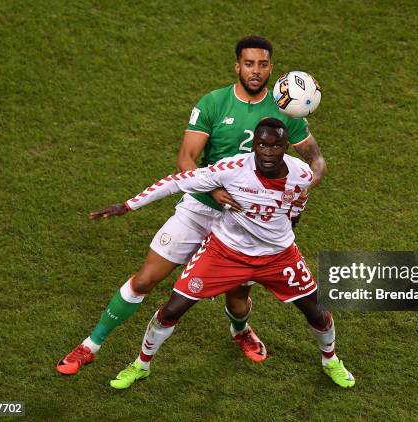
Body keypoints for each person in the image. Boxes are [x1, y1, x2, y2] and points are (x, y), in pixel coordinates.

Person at [57, 35, 327, 375]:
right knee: (145, 279)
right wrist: (213, 191)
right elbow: (186, 158)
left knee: (237, 296)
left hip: (245, 223)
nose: (255, 71)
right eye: (248, 64)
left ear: (271, 67)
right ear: (237, 66)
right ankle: (90, 346)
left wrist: (306, 188)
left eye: (262, 64)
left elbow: (316, 162)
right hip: (201, 207)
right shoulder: (214, 103)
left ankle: (240, 331)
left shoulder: (286, 109)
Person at [91, 118, 354, 389]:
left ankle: (330, 360)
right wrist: (127, 206)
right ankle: (141, 365)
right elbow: (177, 182)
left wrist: (291, 218)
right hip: (225, 252)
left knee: (318, 313)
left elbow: (297, 205)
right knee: (171, 310)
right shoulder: (233, 169)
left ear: (285, 147)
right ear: (254, 145)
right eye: (262, 145)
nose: (268, 152)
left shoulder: (302, 174)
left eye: (275, 146)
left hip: (278, 255)